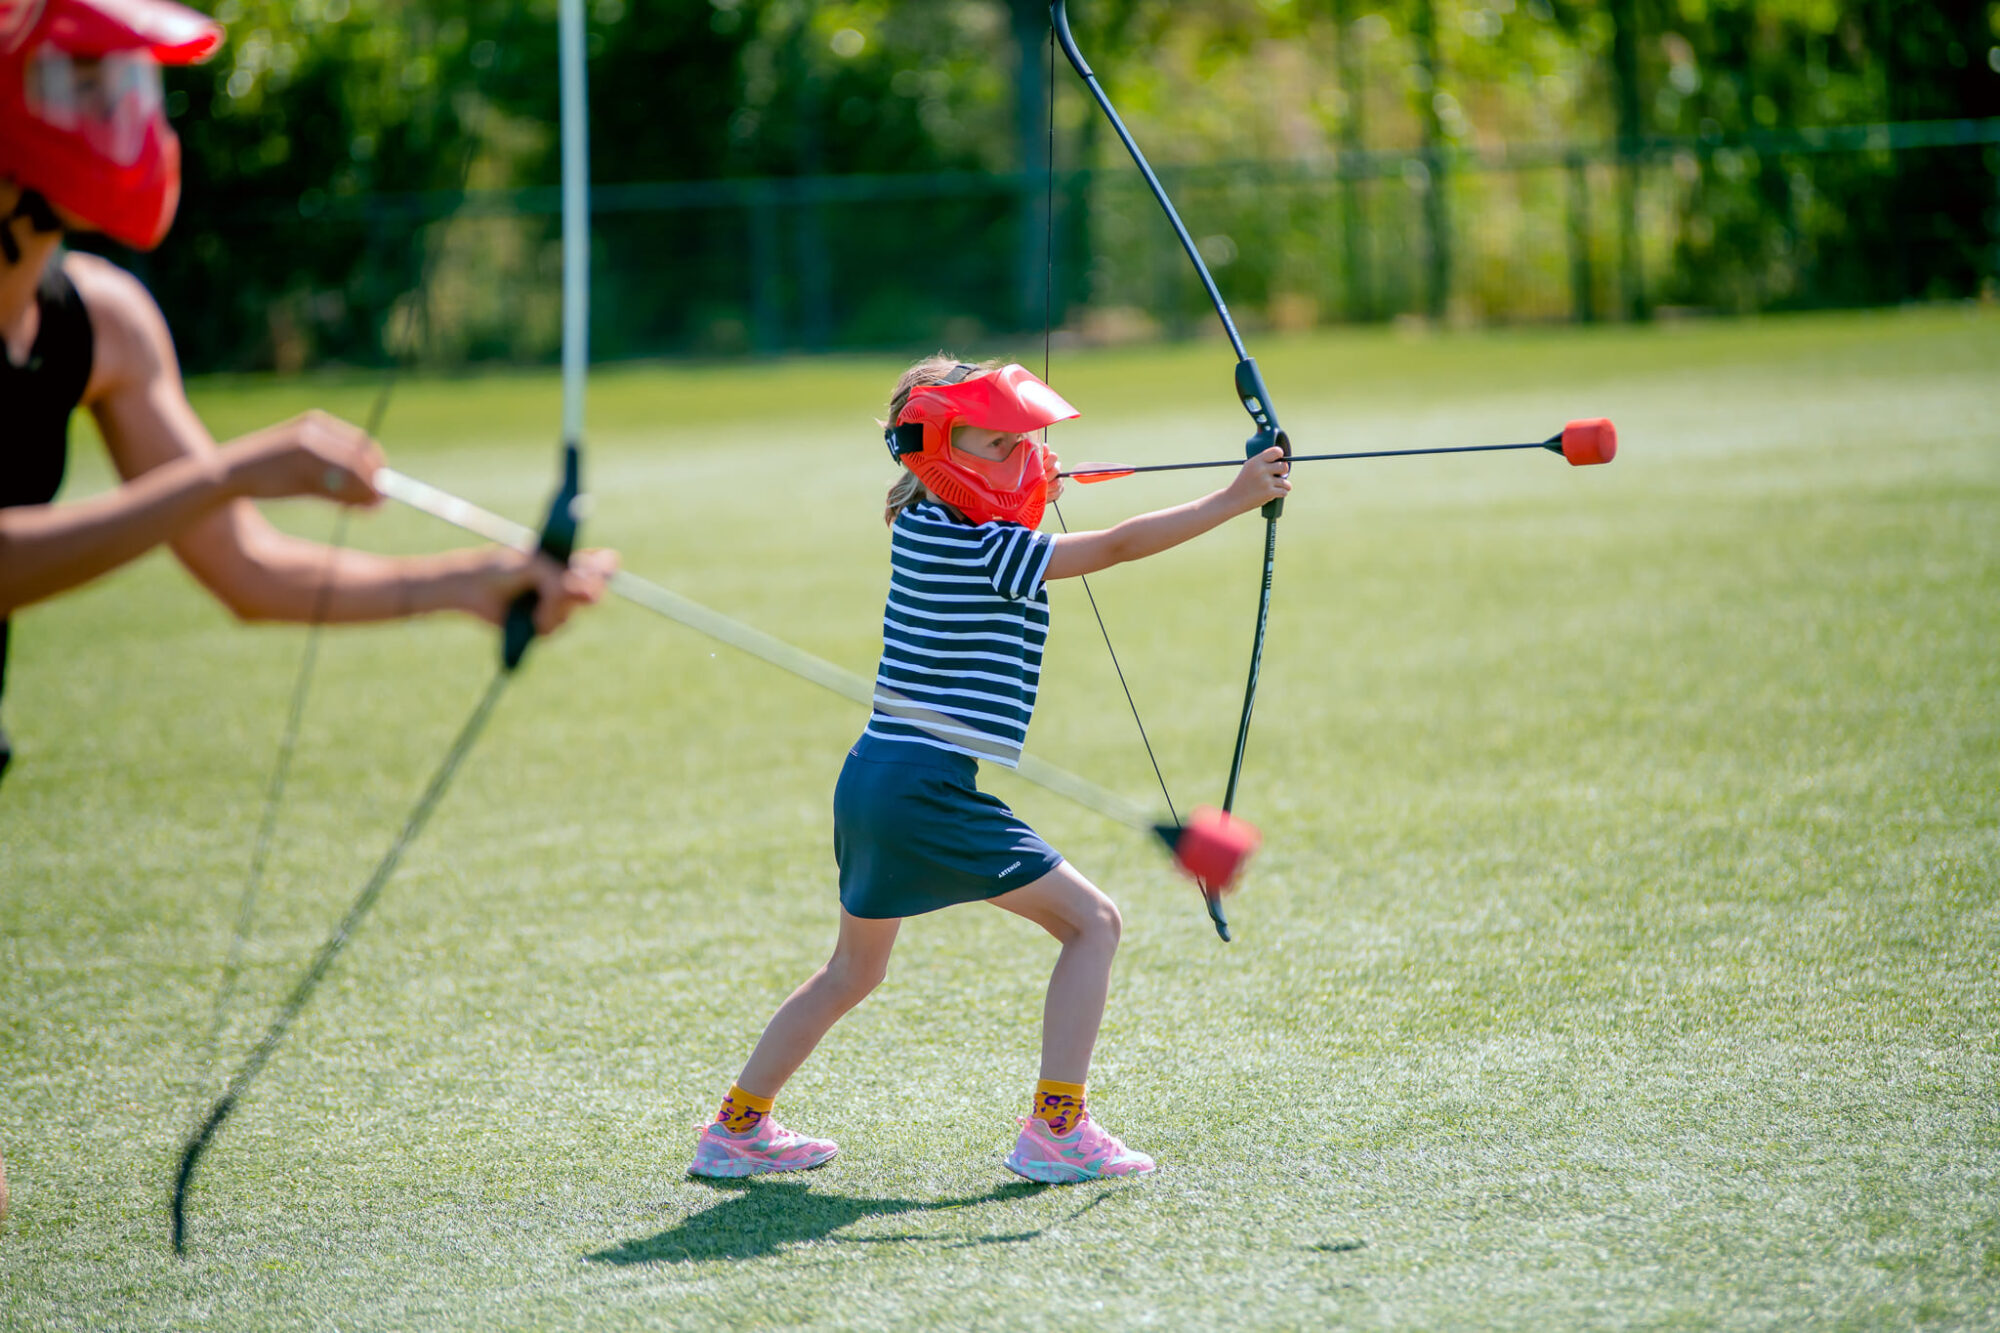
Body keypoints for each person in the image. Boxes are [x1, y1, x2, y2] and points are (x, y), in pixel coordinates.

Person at [685, 356, 1290, 1184]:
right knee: (1093, 924)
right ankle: (1057, 1129)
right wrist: (1235, 497)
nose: (1023, 458)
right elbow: (1112, 546)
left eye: (1025, 442)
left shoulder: (927, 518)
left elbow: (1013, 501)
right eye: (999, 443)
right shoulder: (988, 548)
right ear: (938, 451)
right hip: (921, 788)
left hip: (874, 780)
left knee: (852, 971)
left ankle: (736, 1129)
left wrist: (1026, 471)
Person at [0, 0, 614, 783]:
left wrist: (470, 582)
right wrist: (234, 471)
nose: (122, 112)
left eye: (129, 83)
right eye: (81, 83)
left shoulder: (106, 323)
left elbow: (247, 568)